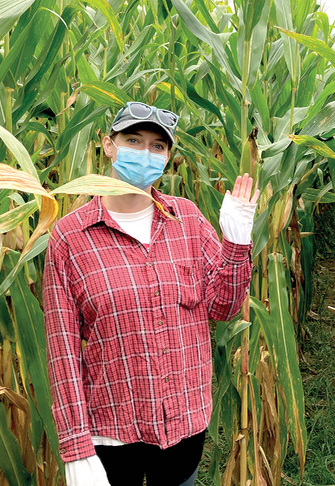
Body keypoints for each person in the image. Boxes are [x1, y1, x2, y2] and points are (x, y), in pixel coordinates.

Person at [44, 101, 260, 486]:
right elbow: (62, 350)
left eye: (158, 146)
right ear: (108, 145)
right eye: (133, 140)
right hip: (111, 430)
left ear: (168, 157)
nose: (145, 153)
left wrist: (236, 242)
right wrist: (76, 447)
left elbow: (223, 308)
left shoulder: (189, 220)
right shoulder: (69, 238)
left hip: (183, 425)